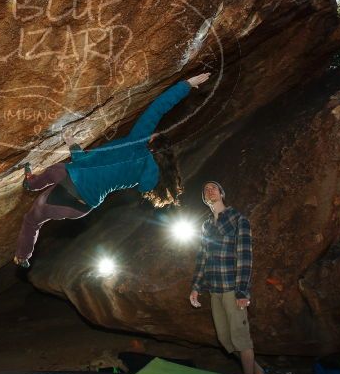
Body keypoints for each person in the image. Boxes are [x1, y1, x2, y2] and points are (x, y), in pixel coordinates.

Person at [13, 72, 211, 268]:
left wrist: (187, 84)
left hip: (70, 189)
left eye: (153, 135)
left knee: (31, 220)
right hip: (83, 206)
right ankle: (30, 183)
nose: (150, 134)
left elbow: (157, 109)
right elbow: (95, 167)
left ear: (152, 143)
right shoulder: (144, 177)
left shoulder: (137, 143)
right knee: (56, 171)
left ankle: (23, 255)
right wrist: (72, 144)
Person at [189, 181, 265, 374]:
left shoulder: (239, 220)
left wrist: (242, 291)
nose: (209, 190)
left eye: (213, 187)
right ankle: (258, 373)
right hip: (216, 290)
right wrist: (196, 286)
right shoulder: (206, 226)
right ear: (205, 199)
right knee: (225, 339)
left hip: (232, 288)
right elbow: (202, 258)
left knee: (241, 338)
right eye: (206, 189)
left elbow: (245, 257)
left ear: (222, 193)